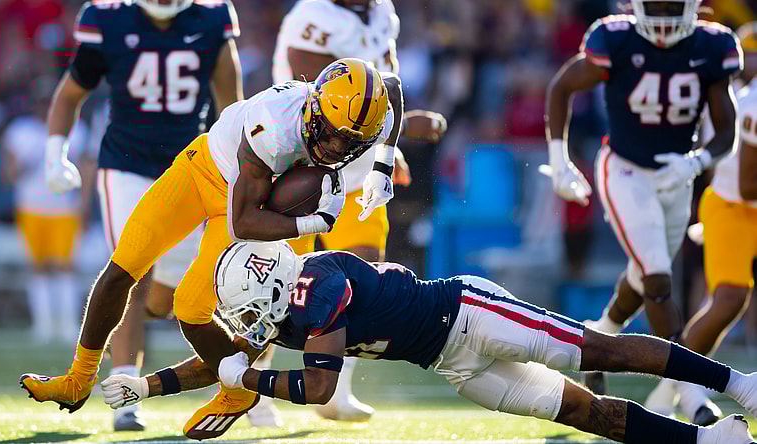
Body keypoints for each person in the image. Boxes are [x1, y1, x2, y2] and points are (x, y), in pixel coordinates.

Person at [20, 58, 405, 438]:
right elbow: (242, 223)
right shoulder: (274, 125)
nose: (336, 147)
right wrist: (314, 223)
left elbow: (392, 87)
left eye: (351, 142)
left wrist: (383, 166)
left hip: (262, 199)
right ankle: (78, 379)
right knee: (124, 265)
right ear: (314, 108)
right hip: (209, 172)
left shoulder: (369, 118)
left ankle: (237, 392)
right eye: (332, 133)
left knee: (200, 308)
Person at [100, 241, 757, 444]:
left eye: (247, 308)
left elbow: (317, 387)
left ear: (271, 288)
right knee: (583, 413)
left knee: (600, 350)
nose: (244, 321)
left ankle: (739, 384)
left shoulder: (319, 286)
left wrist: (246, 379)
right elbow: (224, 361)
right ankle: (708, 442)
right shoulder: (284, 306)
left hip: (469, 313)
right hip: (452, 364)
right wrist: (147, 385)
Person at [43, 0, 244, 431]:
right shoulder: (108, 17)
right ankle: (125, 391)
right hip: (126, 164)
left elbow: (233, 105)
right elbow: (71, 93)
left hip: (194, 166)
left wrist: (243, 166)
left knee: (183, 293)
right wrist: (54, 151)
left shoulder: (211, 17)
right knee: (130, 271)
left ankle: (240, 377)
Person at [244, 0, 446, 425]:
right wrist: (403, 125)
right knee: (275, 281)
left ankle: (334, 389)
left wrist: (389, 146)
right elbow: (323, 104)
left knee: (362, 277)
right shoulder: (312, 17)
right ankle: (252, 388)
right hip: (302, 165)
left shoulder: (381, 11)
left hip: (356, 169)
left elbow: (384, 82)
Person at [544, 0, 741, 424]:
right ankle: (689, 392)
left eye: (673, 5)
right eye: (657, 4)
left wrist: (695, 163)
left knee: (643, 274)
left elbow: (727, 129)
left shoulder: (711, 46)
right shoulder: (615, 38)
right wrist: (560, 161)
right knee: (656, 275)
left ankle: (599, 335)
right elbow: (562, 86)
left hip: (676, 175)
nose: (664, 15)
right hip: (625, 171)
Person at [645, 21, 757, 422]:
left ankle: (673, 384)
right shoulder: (751, 103)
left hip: (737, 203)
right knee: (728, 301)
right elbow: (747, 185)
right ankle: (672, 383)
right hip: (734, 207)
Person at [2, 86, 90, 346]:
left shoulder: (76, 130)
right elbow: (9, 174)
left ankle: (68, 323)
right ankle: (44, 324)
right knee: (37, 267)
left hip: (65, 208)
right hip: (31, 207)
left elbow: (86, 168)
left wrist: (84, 203)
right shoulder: (21, 131)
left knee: (65, 266)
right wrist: (24, 164)